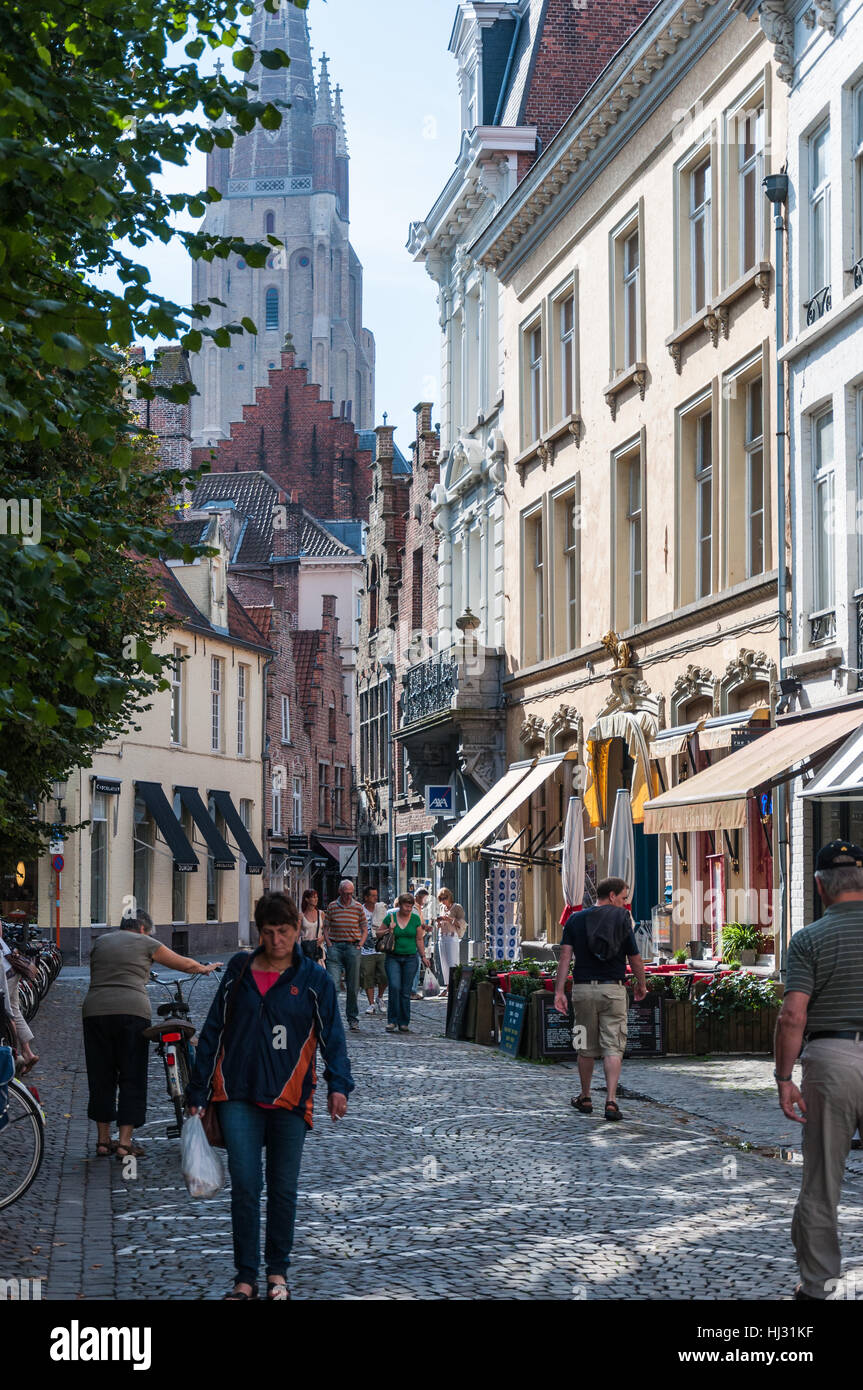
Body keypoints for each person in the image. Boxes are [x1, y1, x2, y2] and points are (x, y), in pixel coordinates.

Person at [188, 892, 353, 1300]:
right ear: (259, 932)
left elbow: (333, 1034)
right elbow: (213, 1030)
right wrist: (198, 1090)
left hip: (290, 1097)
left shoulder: (314, 980)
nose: (276, 940)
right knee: (246, 1185)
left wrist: (338, 1084)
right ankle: (245, 1278)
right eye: (268, 932)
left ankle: (277, 1272)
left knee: (282, 1188)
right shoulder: (239, 970)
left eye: (283, 931)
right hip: (237, 1094)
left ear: (298, 930)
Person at [774, 839, 863, 1301]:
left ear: (819, 886)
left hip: (833, 1059)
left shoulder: (809, 940)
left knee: (823, 1181)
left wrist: (784, 1078)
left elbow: (793, 1016)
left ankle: (817, 1286)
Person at [82, 907, 220, 1160]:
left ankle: (103, 1141)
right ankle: (124, 1143)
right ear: (143, 928)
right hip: (132, 1011)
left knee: (100, 1075)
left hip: (94, 1012)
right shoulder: (146, 942)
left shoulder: (100, 942)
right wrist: (204, 968)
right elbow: (182, 963)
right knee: (131, 1075)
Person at [553, 876, 646, 1122]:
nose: (625, 904)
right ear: (612, 895)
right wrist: (641, 983)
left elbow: (565, 957)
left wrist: (559, 991)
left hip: (583, 992)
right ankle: (611, 1101)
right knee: (613, 1046)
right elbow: (635, 958)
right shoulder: (622, 920)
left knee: (584, 1046)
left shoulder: (575, 919)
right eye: (624, 898)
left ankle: (585, 1097)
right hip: (613, 991)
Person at [378, 893, 432, 1034]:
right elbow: (377, 933)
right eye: (406, 906)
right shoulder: (391, 917)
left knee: (406, 991)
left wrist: (423, 956)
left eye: (410, 906)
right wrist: (389, 930)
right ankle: (392, 1021)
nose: (408, 909)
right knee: (394, 987)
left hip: (410, 958)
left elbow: (419, 939)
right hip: (393, 957)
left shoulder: (415, 919)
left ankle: (404, 1022)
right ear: (400, 905)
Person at [323, 879, 366, 1032]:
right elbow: (326, 927)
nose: (348, 896)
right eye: (346, 893)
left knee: (353, 986)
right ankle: (331, 1018)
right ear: (340, 892)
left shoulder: (358, 907)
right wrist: (328, 943)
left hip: (352, 947)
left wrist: (360, 944)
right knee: (333, 985)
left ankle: (352, 1019)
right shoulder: (332, 906)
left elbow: (364, 928)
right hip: (335, 946)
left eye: (350, 893)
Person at [0, 925, 38, 1073]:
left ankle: (16, 1058)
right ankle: (28, 1053)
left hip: (4, 975)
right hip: (12, 970)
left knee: (7, 1014)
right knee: (14, 1012)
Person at [360, 886, 387, 1015]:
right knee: (367, 976)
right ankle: (371, 1003)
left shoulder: (380, 909)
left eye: (376, 895)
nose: (375, 898)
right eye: (372, 896)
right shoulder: (360, 910)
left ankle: (380, 997)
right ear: (366, 897)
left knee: (385, 975)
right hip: (366, 949)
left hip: (381, 948)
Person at [436, 887, 464, 997]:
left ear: (449, 897)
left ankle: (453, 986)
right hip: (442, 936)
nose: (443, 900)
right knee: (444, 962)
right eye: (441, 898)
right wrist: (438, 923)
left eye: (445, 898)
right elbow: (439, 923)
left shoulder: (457, 907)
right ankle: (448, 986)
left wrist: (450, 919)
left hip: (452, 936)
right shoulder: (442, 907)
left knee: (453, 962)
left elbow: (462, 923)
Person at [410, 888, 431, 1000]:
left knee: (416, 966)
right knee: (416, 966)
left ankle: (412, 990)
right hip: (416, 940)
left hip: (419, 939)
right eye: (424, 898)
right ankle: (412, 991)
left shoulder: (418, 908)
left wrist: (425, 927)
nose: (425, 901)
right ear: (418, 897)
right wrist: (425, 927)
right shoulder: (414, 909)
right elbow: (416, 925)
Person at [299, 889, 325, 963]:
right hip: (306, 950)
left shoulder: (321, 914)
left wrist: (321, 940)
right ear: (307, 899)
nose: (316, 899)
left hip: (318, 950)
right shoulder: (301, 916)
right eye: (313, 897)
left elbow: (327, 931)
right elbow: (296, 935)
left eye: (316, 897)